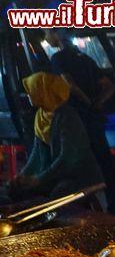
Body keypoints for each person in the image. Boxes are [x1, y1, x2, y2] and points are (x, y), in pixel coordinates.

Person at [43, 29, 115, 215]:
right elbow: (110, 85)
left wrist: (87, 103)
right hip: (93, 116)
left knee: (80, 162)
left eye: (47, 32)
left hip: (78, 116)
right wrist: (98, 103)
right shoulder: (85, 58)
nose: (45, 36)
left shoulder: (58, 58)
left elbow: (69, 83)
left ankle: (83, 208)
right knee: (104, 159)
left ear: (57, 34)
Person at [10, 73, 103, 201]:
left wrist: (39, 179)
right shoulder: (41, 116)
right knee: (15, 190)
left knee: (57, 194)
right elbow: (37, 154)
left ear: (43, 92)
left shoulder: (66, 116)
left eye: (32, 90)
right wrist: (22, 176)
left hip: (78, 174)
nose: (28, 95)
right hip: (57, 173)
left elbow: (67, 158)